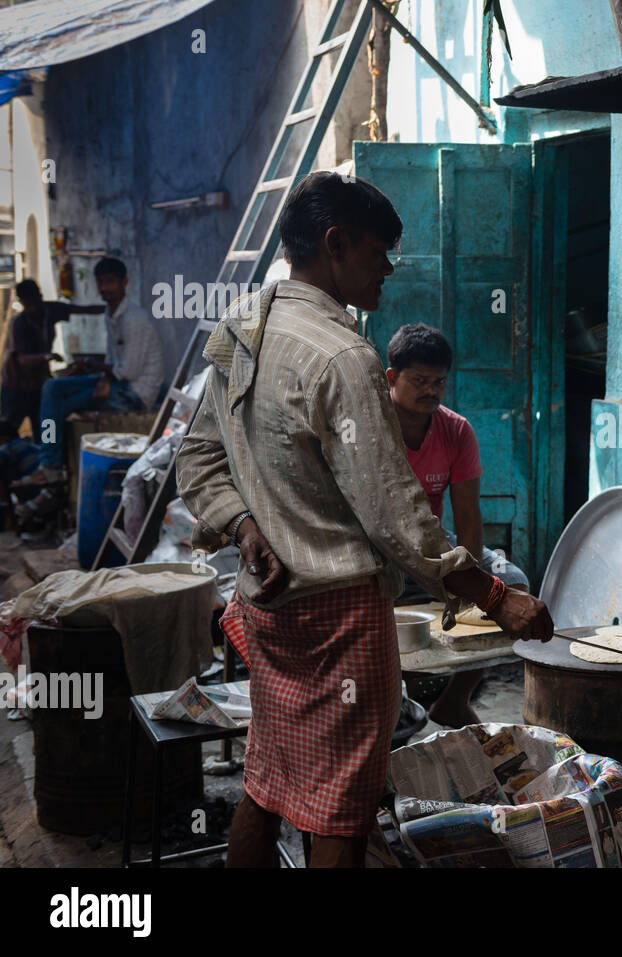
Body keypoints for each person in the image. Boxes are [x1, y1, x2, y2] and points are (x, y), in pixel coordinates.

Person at [175, 171, 553, 869]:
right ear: (335, 243)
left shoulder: (242, 329)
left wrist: (242, 527)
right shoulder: (346, 359)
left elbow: (195, 458)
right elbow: (400, 522)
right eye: (381, 252)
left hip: (267, 609)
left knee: (265, 785)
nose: (388, 269)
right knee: (341, 819)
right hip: (342, 621)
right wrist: (499, 597)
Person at [386, 323, 530, 728]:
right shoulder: (372, 427)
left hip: (436, 545)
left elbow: (467, 515)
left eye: (439, 383)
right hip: (380, 548)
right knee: (379, 606)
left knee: (513, 585)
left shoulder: (456, 430)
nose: (430, 390)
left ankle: (454, 698)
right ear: (391, 378)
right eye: (419, 381)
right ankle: (391, 704)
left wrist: (477, 583)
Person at [24, 258, 165, 484]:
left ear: (124, 282)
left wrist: (92, 365)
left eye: (110, 282)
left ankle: (50, 463)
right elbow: (113, 361)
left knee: (58, 403)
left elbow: (129, 371)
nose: (104, 288)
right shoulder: (112, 314)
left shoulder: (134, 319)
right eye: (100, 282)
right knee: (51, 389)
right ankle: (49, 459)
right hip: (118, 383)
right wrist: (101, 376)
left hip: (134, 393)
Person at [0, 279, 104, 434]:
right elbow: (22, 360)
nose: (33, 308)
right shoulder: (19, 323)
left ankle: (47, 452)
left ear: (40, 297)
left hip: (39, 385)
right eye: (28, 305)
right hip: (16, 387)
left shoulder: (50, 310)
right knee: (7, 430)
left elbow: (83, 309)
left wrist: (111, 308)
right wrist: (47, 356)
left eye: (35, 302)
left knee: (45, 429)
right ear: (22, 303)